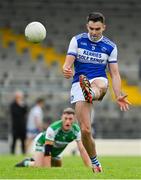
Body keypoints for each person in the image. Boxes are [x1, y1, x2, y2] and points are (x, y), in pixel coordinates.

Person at [62, 12, 131, 172]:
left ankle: (91, 93)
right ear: (87, 26)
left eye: (97, 29)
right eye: (91, 28)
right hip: (79, 83)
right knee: (85, 130)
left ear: (104, 27)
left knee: (99, 85)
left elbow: (114, 73)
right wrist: (66, 70)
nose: (94, 32)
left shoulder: (110, 46)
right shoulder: (77, 40)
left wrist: (118, 94)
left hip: (99, 80)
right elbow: (67, 65)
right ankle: (95, 162)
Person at [15, 107, 92, 169]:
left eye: (70, 119)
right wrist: (47, 169)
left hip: (57, 149)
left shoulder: (76, 130)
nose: (68, 121)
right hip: (42, 143)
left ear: (74, 119)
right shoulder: (53, 129)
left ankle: (37, 160)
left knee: (57, 168)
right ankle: (27, 162)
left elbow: (82, 149)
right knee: (39, 167)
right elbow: (47, 150)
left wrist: (89, 167)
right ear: (62, 118)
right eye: (65, 118)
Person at [10, 90, 28, 154]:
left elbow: (25, 112)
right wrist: (19, 106)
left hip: (22, 126)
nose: (19, 98)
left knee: (23, 141)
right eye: (18, 97)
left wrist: (22, 105)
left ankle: (23, 153)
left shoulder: (23, 104)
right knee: (14, 141)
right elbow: (15, 113)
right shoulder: (13, 105)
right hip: (15, 126)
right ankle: (12, 153)